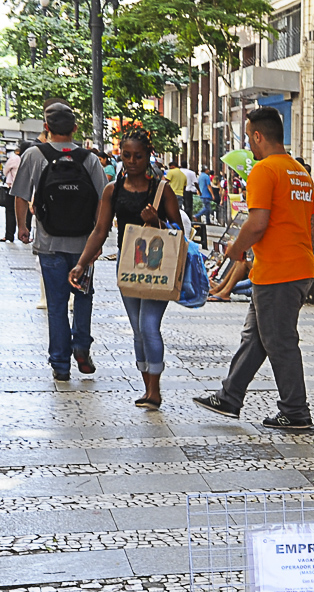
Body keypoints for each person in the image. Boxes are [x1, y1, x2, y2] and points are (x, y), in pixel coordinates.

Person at [192, 105, 314, 431]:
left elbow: (257, 222)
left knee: (279, 341)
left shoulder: (264, 170)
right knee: (256, 338)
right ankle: (230, 396)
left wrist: (235, 249)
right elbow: (312, 223)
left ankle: (295, 411)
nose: (249, 143)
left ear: (258, 135)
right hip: (295, 267)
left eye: (249, 137)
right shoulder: (300, 172)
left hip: (279, 271)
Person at [72, 122, 183, 410]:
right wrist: (82, 263)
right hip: (128, 266)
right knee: (137, 329)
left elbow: (178, 231)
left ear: (149, 156)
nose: (132, 162)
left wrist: (155, 221)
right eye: (127, 156)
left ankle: (155, 391)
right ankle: (147, 387)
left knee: (149, 326)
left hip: (158, 268)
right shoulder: (113, 189)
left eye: (138, 156)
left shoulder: (162, 190)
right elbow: (100, 230)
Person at [10, 104, 107, 381]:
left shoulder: (34, 154)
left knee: (56, 304)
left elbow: (19, 195)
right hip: (84, 248)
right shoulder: (89, 159)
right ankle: (81, 346)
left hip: (49, 244)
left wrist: (22, 227)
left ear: (46, 128)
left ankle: (60, 364)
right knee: (84, 297)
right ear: (75, 129)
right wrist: (97, 239)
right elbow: (103, 199)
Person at [1, 144, 24, 242]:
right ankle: (25, 235)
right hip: (25, 189)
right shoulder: (28, 159)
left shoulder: (14, 158)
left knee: (10, 212)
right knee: (25, 212)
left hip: (12, 188)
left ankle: (9, 235)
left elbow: (5, 171)